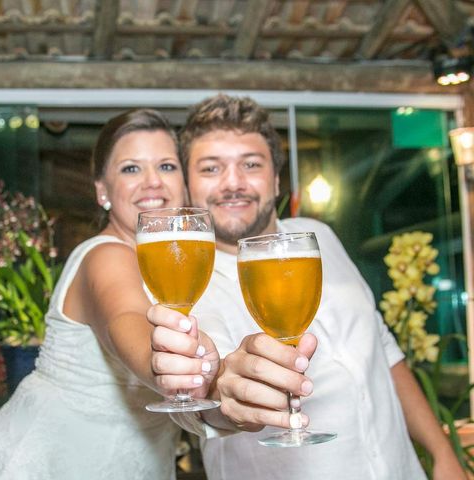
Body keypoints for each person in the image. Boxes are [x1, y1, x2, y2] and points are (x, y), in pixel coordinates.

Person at [149, 94, 466, 480]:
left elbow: (384, 351)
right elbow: (210, 398)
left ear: (277, 178)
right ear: (187, 185)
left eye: (251, 164)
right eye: (211, 168)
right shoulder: (185, 284)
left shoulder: (318, 236)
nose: (233, 183)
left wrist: (441, 452)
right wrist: (220, 396)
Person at [0, 109, 216, 479]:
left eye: (166, 166)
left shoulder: (169, 267)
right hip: (45, 463)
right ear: (102, 190)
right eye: (131, 169)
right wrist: (165, 365)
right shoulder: (104, 256)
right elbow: (127, 320)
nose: (152, 182)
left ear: (184, 184)